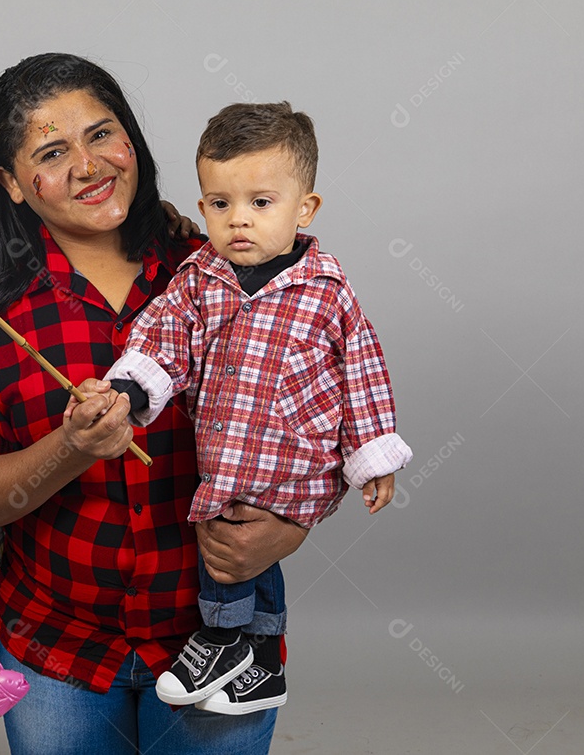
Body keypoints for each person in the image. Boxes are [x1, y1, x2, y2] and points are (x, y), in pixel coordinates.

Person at [0, 54, 305, 754]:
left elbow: (316, 417)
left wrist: (292, 529)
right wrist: (69, 449)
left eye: (102, 134)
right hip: (56, 651)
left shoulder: (228, 268)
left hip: (216, 639)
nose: (87, 165)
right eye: (50, 151)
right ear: (11, 182)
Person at [91, 101, 413, 715]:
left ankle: (220, 637)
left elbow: (362, 369)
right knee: (236, 533)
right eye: (219, 204)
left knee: (234, 541)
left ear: (304, 208)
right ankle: (262, 661)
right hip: (228, 449)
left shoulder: (326, 290)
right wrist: (135, 385)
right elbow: (165, 334)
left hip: (297, 458)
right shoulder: (201, 277)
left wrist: (373, 455)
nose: (238, 221)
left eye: (260, 203)